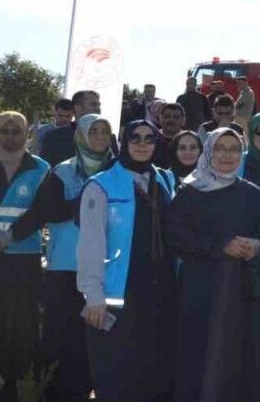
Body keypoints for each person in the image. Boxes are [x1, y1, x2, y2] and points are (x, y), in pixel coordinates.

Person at [167, 128, 260, 402]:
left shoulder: (250, 193)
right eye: (220, 148)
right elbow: (175, 236)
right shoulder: (190, 191)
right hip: (202, 291)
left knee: (241, 359)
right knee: (203, 358)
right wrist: (219, 246)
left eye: (234, 149)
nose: (227, 155)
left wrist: (256, 245)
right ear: (209, 152)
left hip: (244, 293)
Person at [8, 115, 111, 401]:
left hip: (107, 270)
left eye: (105, 131)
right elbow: (46, 211)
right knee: (61, 338)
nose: (100, 137)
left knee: (97, 341)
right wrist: (87, 202)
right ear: (80, 136)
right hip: (65, 267)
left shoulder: (118, 171)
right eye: (93, 131)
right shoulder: (63, 172)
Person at [76, 119, 177, 402]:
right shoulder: (101, 185)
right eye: (135, 138)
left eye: (149, 139)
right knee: (117, 372)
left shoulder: (165, 179)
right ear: (123, 142)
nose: (142, 145)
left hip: (160, 290)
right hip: (119, 294)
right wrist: (93, 295)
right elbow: (91, 244)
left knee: (155, 370)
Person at [0, 111, 50, 402]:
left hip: (23, 257)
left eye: (16, 131)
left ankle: (13, 380)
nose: (10, 136)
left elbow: (42, 209)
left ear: (27, 134)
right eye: (4, 130)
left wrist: (11, 235)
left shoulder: (40, 168)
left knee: (20, 322)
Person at [41, 89, 101, 164]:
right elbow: (46, 168)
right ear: (78, 108)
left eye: (99, 105)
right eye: (93, 104)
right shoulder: (54, 137)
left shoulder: (108, 138)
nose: (98, 109)